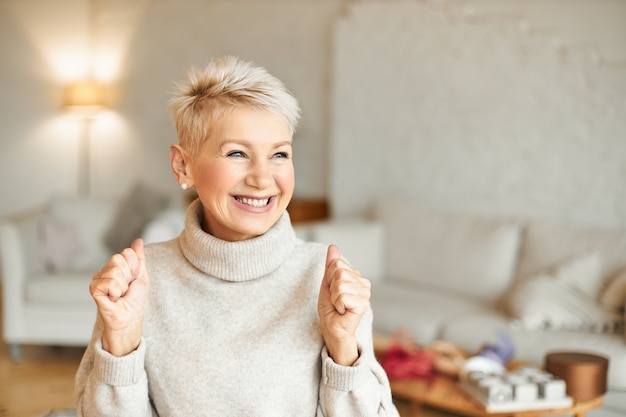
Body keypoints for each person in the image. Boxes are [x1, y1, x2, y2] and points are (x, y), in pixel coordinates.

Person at [74, 56, 400, 417]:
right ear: (183, 165)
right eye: (237, 153)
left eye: (279, 154)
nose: (262, 178)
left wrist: (343, 346)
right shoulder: (140, 282)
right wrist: (120, 341)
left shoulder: (326, 279)